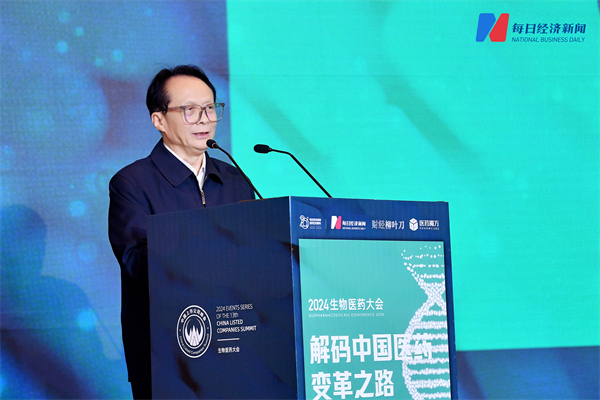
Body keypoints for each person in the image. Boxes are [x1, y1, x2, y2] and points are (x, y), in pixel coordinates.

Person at [108, 65, 254, 399]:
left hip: (237, 348)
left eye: (210, 108)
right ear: (159, 120)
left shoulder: (235, 180)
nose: (204, 119)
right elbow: (137, 263)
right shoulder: (132, 183)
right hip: (167, 355)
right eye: (189, 110)